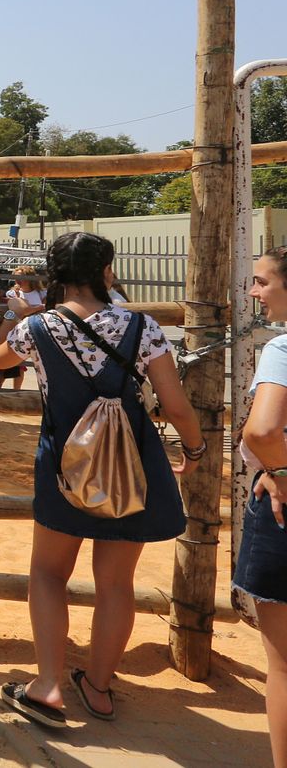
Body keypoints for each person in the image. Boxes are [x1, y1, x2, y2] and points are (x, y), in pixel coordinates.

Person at [0, 232, 202, 729]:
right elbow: (174, 403)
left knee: (47, 574)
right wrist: (195, 448)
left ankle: (48, 685)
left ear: (54, 275)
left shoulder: (37, 328)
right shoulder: (142, 326)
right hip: (133, 463)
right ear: (107, 271)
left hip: (64, 463)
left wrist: (15, 315)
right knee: (116, 583)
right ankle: (99, 688)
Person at [240, 248, 287, 767]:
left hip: (279, 512)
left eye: (262, 282)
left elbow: (262, 429)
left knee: (284, 666)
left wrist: (282, 472)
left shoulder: (282, 348)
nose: (254, 292)